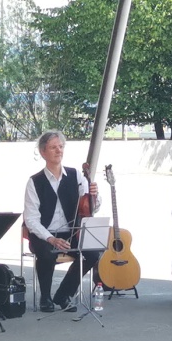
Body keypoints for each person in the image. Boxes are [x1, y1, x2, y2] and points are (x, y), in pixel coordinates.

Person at [23, 130, 101, 313]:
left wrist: (94, 197)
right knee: (47, 253)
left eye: (61, 146)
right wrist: (50, 238)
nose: (59, 151)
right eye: (53, 147)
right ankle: (45, 297)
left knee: (92, 253)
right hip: (43, 233)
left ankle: (64, 294)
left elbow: (91, 208)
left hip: (71, 230)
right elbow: (31, 220)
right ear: (43, 152)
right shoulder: (34, 182)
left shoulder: (76, 176)